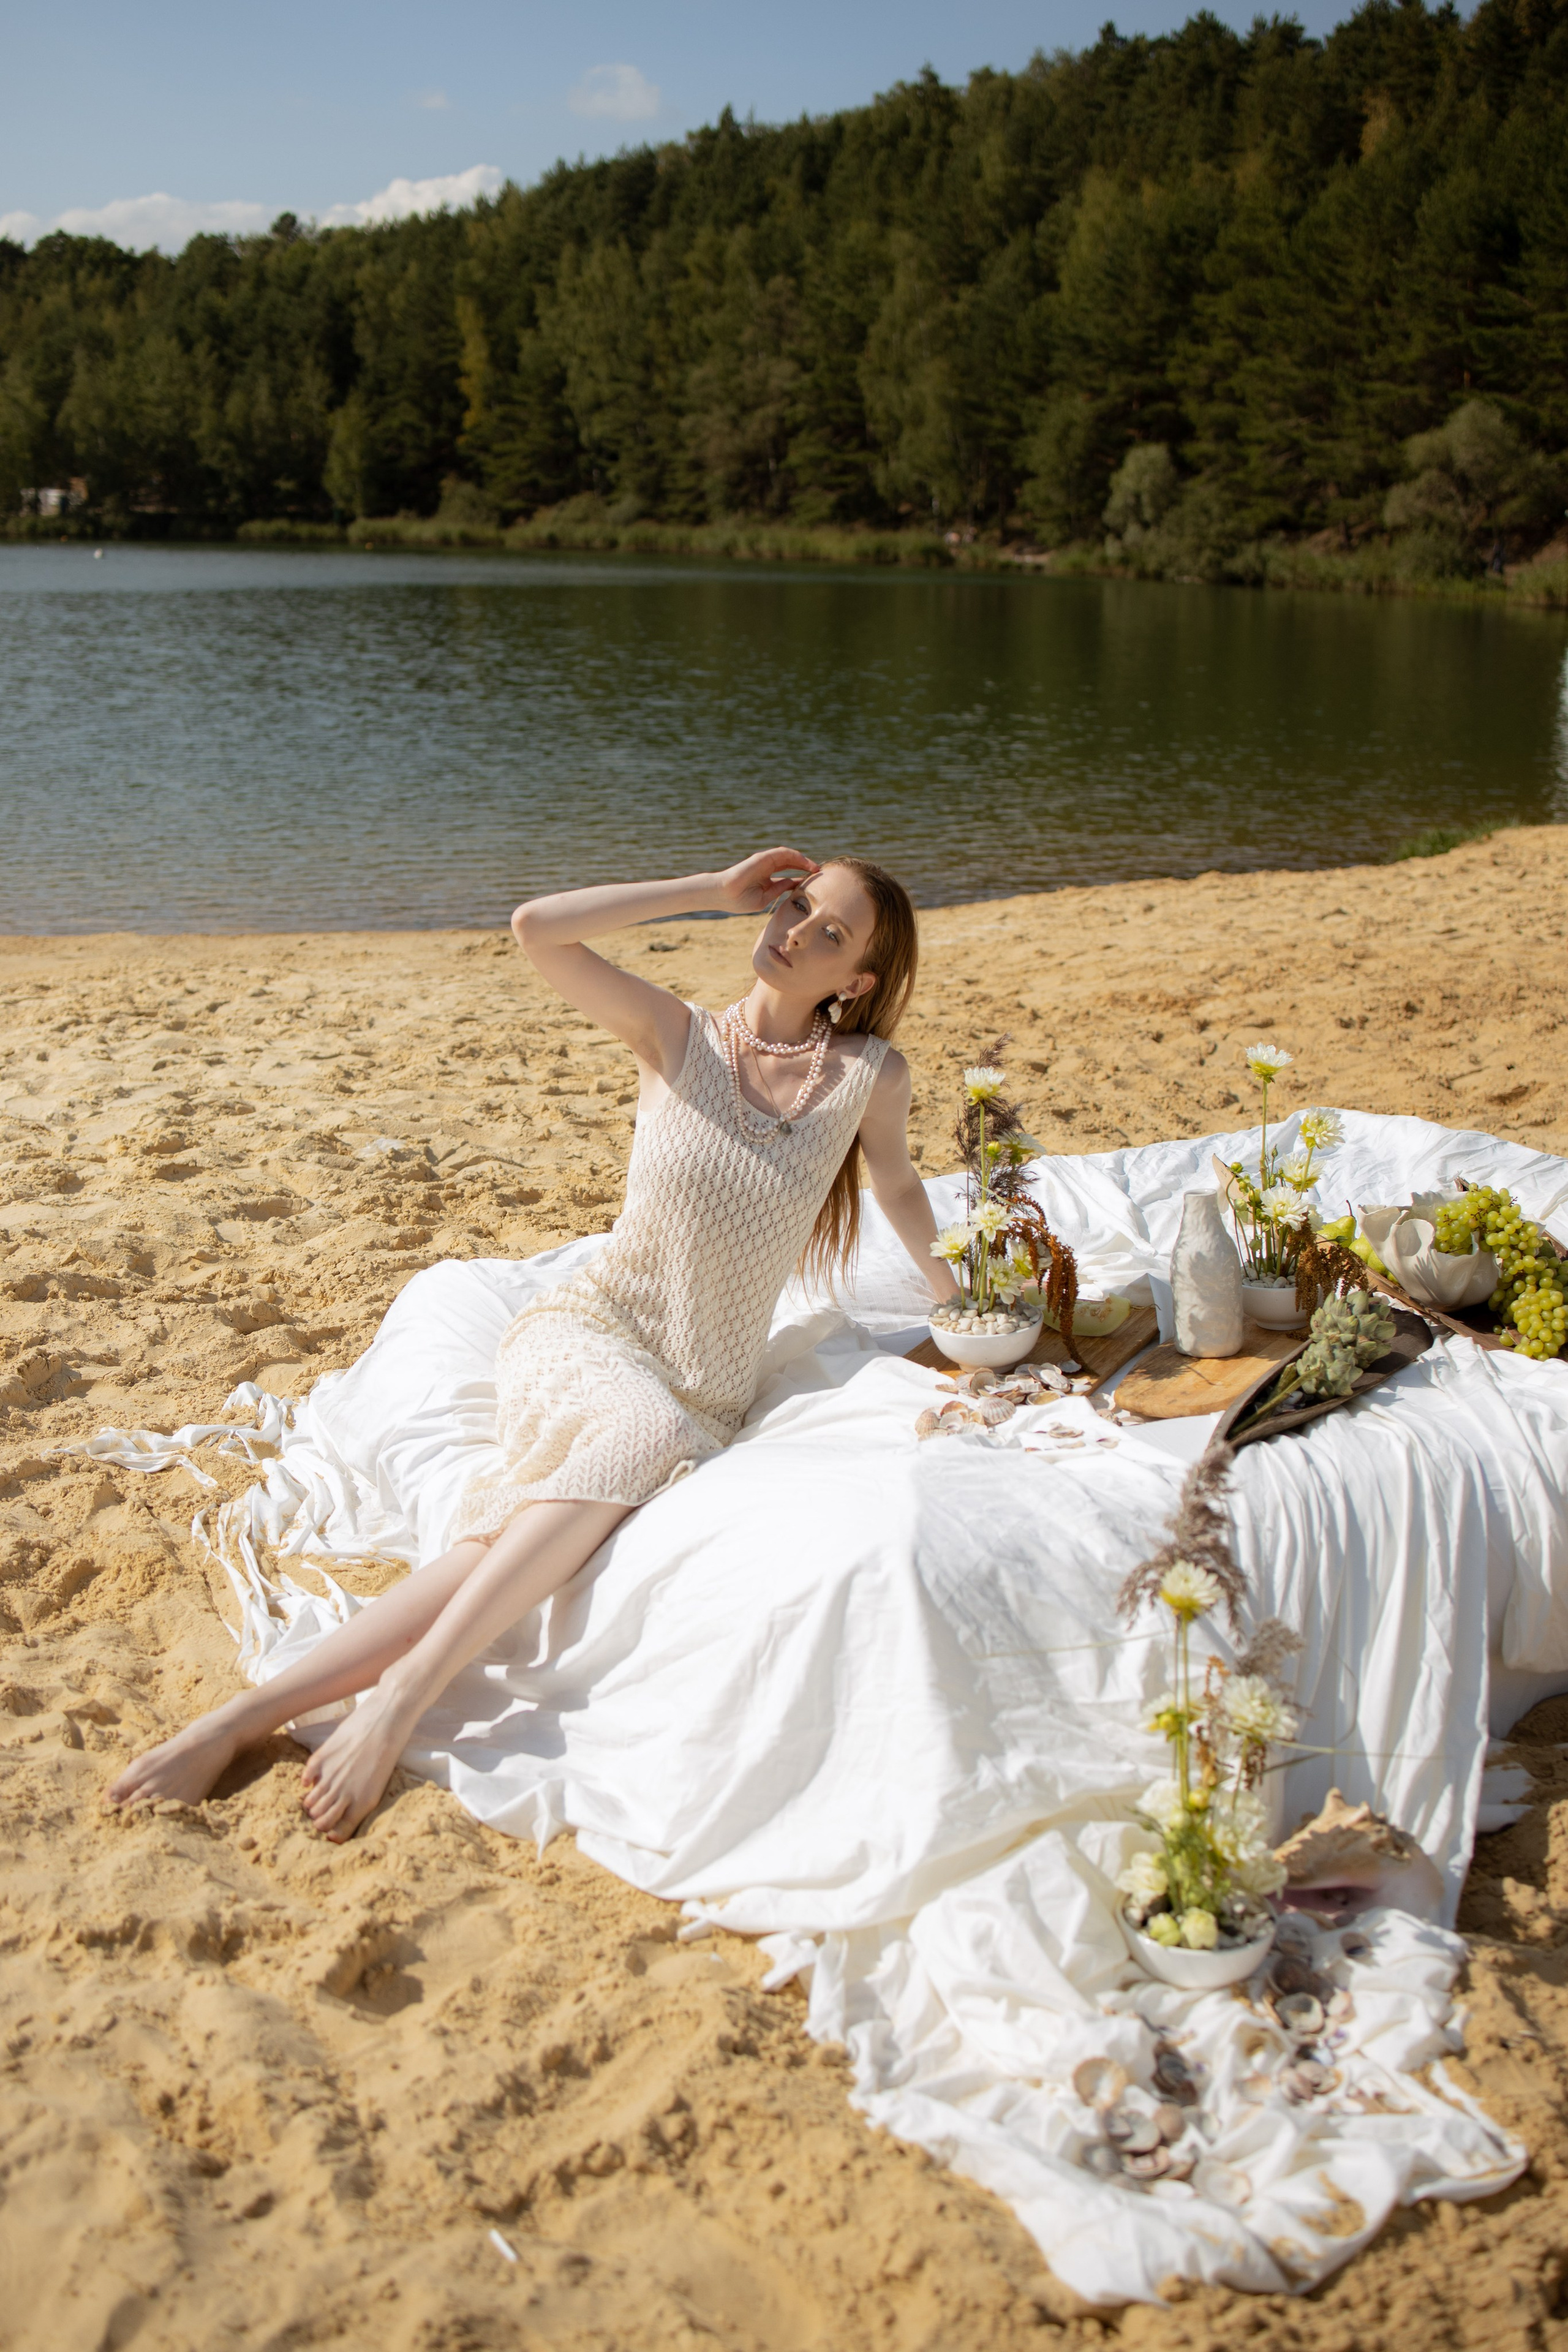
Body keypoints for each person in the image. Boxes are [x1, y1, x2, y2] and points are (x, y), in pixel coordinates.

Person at [107, 849, 961, 1840]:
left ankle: (246, 1716)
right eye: (798, 907)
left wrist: (973, 1306)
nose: (795, 931)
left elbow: (899, 1190)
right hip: (587, 1336)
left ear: (856, 981)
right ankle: (399, 1699)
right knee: (632, 1436)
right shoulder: (677, 1034)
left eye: (830, 932)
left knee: (494, 1542)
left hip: (706, 1389)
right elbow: (536, 927)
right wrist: (703, 891)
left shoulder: (870, 1077)